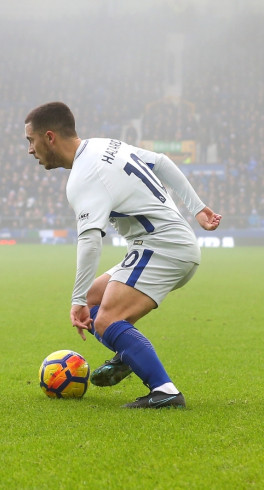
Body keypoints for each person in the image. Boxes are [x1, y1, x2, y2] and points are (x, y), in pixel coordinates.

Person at [24, 102, 222, 409]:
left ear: (49, 137)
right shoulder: (104, 146)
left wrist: (75, 301)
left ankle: (165, 391)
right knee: (95, 299)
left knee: (103, 319)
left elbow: (90, 241)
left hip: (163, 248)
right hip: (164, 244)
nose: (30, 150)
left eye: (30, 141)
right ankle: (127, 353)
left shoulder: (83, 177)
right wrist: (197, 208)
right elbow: (162, 162)